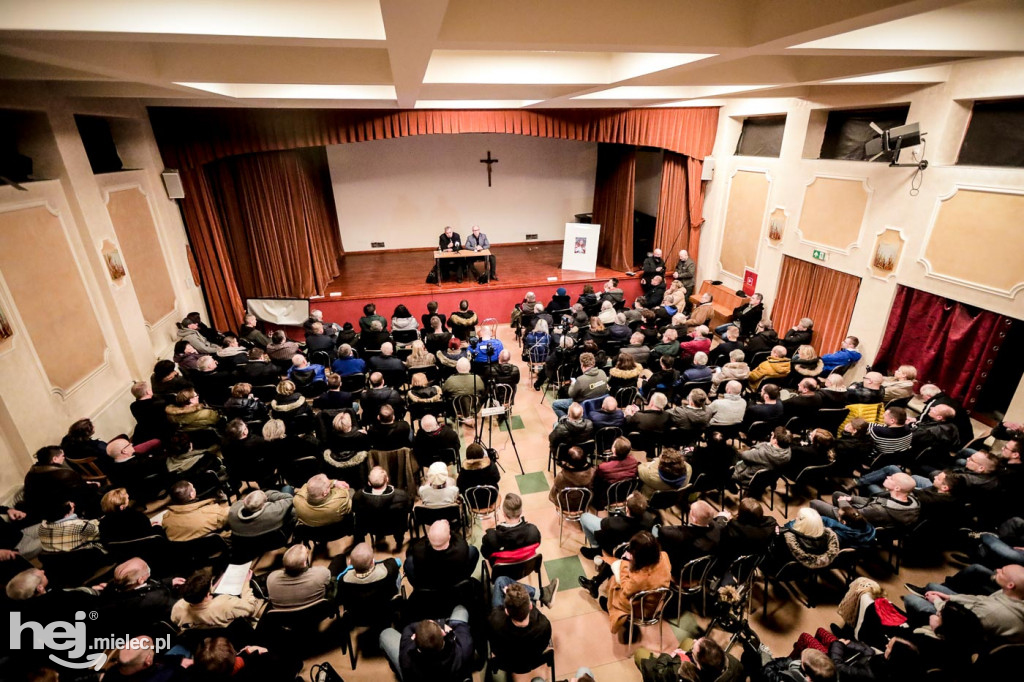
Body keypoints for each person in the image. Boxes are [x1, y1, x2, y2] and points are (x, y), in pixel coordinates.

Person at [606, 531, 673, 640]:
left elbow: (627, 590)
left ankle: (612, 609)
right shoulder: (664, 556)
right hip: (658, 602)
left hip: (642, 609)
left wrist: (624, 563)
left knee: (615, 582)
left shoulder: (639, 578)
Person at [380, 608, 474, 682]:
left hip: (417, 676)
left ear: (414, 638)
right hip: (453, 674)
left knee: (385, 634)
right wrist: (444, 626)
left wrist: (432, 626)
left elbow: (409, 628)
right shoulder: (464, 649)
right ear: (443, 634)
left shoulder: (407, 656)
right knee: (461, 609)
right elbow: (462, 628)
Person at [811, 471, 920, 528]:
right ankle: (836, 523)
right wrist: (851, 498)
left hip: (856, 522)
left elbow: (853, 516)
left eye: (891, 478)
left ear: (897, 488)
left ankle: (839, 526)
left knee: (815, 503)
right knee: (836, 494)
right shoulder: (910, 501)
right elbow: (873, 500)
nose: (887, 477)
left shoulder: (879, 510)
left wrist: (843, 500)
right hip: (868, 516)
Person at [171, 567, 264, 630]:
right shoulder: (226, 604)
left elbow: (175, 620)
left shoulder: (178, 607)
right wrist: (245, 583)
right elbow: (250, 608)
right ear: (207, 594)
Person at [487, 581, 552, 666]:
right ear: (531, 606)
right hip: (532, 662)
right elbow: (544, 645)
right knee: (501, 580)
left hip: (506, 662)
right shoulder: (544, 625)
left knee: (500, 581)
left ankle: (540, 593)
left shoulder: (494, 621)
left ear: (506, 611)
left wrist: (509, 599)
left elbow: (492, 644)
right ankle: (541, 594)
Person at [405, 519, 478, 589]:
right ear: (449, 537)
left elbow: (421, 542)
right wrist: (448, 530)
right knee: (473, 550)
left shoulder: (418, 551)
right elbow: (459, 538)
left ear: (428, 537)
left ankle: (419, 587)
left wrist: (434, 536)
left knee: (409, 562)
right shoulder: (461, 548)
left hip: (429, 583)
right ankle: (464, 579)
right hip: (455, 581)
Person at [266, 543, 333, 610]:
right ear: (304, 563)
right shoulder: (320, 574)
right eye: (307, 553)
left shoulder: (271, 579)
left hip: (284, 619)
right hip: (315, 614)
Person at [482, 493, 541, 565]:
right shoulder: (533, 531)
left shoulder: (491, 538)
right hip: (525, 566)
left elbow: (485, 553)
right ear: (521, 512)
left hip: (502, 571)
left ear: (504, 513)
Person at [161, 480, 229, 542]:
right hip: (216, 547)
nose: (194, 489)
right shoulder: (214, 512)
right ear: (192, 495)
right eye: (193, 488)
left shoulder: (166, 520)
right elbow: (229, 518)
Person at [551, 352, 609, 419]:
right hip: (598, 403)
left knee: (555, 404)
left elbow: (571, 394)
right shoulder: (602, 372)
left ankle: (568, 421)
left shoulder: (581, 380)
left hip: (582, 404)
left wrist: (573, 384)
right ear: (593, 363)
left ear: (582, 364)